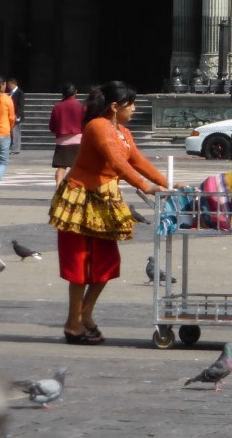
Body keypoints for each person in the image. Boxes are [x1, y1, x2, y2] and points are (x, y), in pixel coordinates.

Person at [48, 81, 169, 344]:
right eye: (131, 104)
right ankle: (73, 323)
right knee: (78, 264)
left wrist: (167, 183)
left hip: (105, 199)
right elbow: (117, 163)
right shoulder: (97, 127)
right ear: (114, 107)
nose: (135, 109)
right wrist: (146, 187)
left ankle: (84, 316)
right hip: (79, 198)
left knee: (106, 263)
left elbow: (137, 160)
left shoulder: (123, 131)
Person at [49, 83, 86, 186]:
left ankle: (58, 187)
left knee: (62, 167)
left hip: (62, 140)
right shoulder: (80, 106)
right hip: (77, 139)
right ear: (75, 92)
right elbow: (85, 123)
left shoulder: (57, 106)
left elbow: (52, 125)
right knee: (77, 166)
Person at [0, 75, 12, 197]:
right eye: (4, 84)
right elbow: (11, 117)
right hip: (2, 132)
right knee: (3, 162)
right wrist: (10, 128)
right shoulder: (6, 99)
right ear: (0, 86)